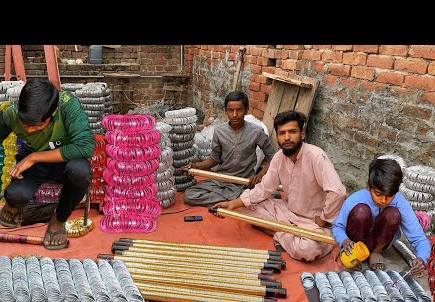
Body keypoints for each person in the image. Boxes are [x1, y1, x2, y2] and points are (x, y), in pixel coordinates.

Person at [213, 110, 346, 262]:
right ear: (277, 137)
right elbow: (264, 189)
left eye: (292, 132)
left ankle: (274, 232)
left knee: (308, 250)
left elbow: (338, 191)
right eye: (282, 133)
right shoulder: (278, 157)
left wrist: (324, 218)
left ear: (302, 134)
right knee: (245, 208)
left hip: (312, 221)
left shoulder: (316, 156)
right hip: (287, 212)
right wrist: (233, 204)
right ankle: (289, 234)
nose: (287, 138)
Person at [0, 78, 95, 250]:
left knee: (81, 172)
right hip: (33, 166)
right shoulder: (12, 113)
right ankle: (14, 206)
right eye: (25, 125)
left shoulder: (68, 106)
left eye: (38, 125)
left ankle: (58, 221)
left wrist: (34, 157)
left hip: (66, 161)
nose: (30, 130)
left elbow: (85, 147)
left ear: (53, 112)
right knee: (16, 195)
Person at [332, 158, 430, 274]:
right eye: (378, 194)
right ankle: (356, 255)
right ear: (369, 186)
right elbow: (337, 227)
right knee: (361, 211)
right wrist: (344, 240)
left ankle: (375, 253)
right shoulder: (355, 199)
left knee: (393, 214)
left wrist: (421, 259)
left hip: (379, 244)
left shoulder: (400, 202)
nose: (383, 200)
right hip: (356, 243)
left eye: (389, 196)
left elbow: (419, 238)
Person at [183, 90, 276, 206]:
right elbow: (214, 159)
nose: (235, 114)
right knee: (189, 195)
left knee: (271, 194)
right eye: (230, 110)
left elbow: (273, 157)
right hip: (221, 179)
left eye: (239, 110)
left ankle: (239, 198)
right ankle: (239, 200)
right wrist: (196, 166)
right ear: (226, 111)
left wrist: (259, 176)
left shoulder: (257, 132)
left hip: (244, 181)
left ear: (247, 110)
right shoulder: (219, 132)